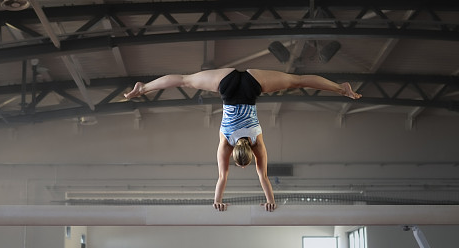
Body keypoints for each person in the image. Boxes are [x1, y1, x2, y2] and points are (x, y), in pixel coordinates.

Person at [124, 68, 362, 212]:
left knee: (295, 79)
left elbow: (264, 177)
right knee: (185, 80)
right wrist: (217, 201)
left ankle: (143, 87)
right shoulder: (226, 142)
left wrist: (271, 201)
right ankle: (144, 88)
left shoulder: (257, 140)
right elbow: (221, 178)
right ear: (237, 155)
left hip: (252, 85)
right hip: (225, 86)